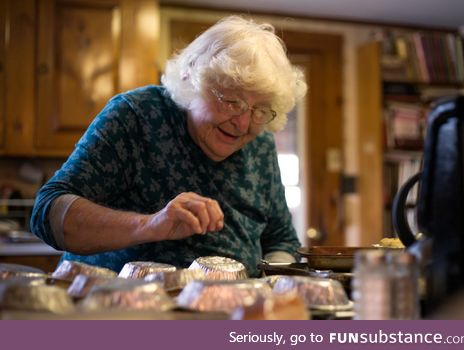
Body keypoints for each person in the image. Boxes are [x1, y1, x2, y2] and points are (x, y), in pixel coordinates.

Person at [30, 15, 307, 277]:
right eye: (232, 101)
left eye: (260, 109)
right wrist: (149, 225)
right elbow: (47, 213)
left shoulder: (261, 143)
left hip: (230, 314)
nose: (244, 123)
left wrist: (272, 283)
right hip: (118, 309)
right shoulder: (136, 115)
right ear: (192, 81)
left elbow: (281, 240)